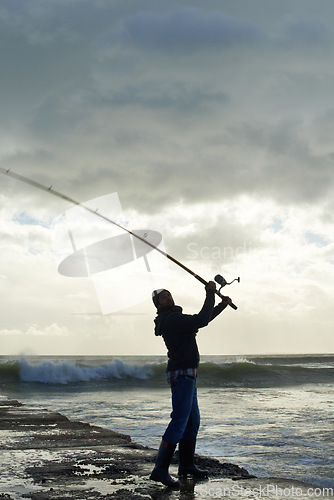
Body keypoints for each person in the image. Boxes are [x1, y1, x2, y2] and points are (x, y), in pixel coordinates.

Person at [150, 282, 232, 487]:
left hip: (188, 374)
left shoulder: (174, 319)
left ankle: (186, 465)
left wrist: (221, 306)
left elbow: (201, 320)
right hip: (182, 375)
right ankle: (160, 470)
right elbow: (201, 320)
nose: (169, 298)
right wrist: (210, 293)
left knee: (192, 422)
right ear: (157, 305)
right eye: (163, 297)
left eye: (169, 295)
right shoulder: (171, 319)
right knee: (179, 421)